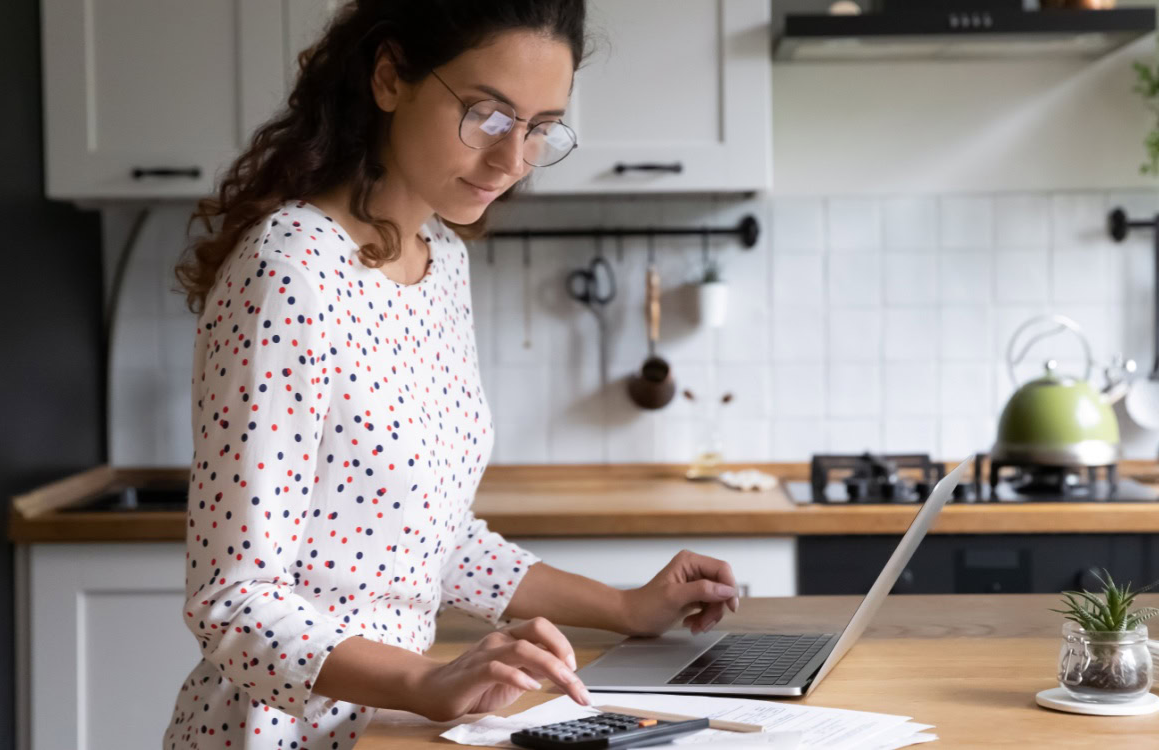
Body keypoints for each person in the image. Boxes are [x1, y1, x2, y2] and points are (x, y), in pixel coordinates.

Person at [163, 2, 740, 747]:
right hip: (279, 730)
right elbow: (231, 601)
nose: (512, 161)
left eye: (538, 128)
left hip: (400, 726)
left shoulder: (440, 260)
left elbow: (430, 541)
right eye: (487, 116)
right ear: (389, 78)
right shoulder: (290, 269)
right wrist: (425, 681)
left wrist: (627, 607)